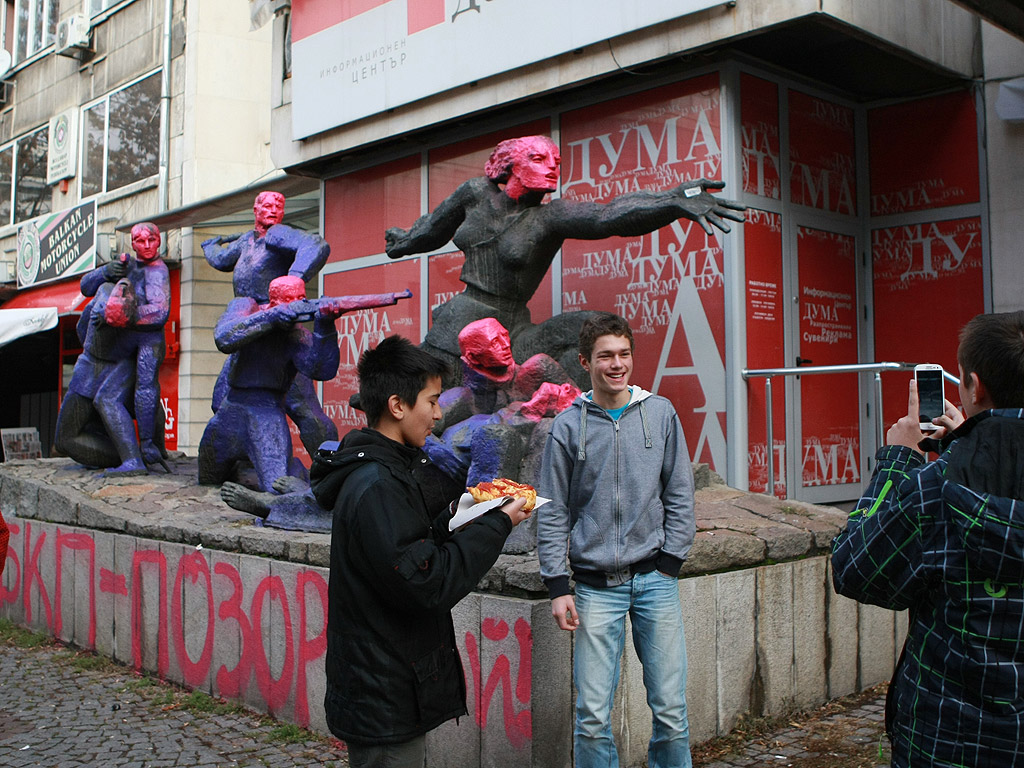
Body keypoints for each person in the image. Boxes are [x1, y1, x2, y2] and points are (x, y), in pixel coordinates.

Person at [310, 334, 531, 768]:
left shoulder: (389, 470)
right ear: (397, 406)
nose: (438, 412)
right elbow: (427, 581)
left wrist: (460, 514)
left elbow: (408, 548)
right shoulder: (377, 485)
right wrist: (499, 523)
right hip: (383, 698)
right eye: (430, 401)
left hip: (387, 688)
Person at [385, 135, 745, 385]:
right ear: (509, 165)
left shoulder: (551, 216)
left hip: (512, 327)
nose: (552, 167)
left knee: (597, 327)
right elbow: (433, 228)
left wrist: (669, 201)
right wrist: (404, 242)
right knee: (428, 387)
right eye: (538, 159)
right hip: (461, 322)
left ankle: (584, 421)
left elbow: (609, 215)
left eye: (556, 161)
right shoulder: (475, 193)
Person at [831, 310, 1024, 768]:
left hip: (949, 740)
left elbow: (853, 567)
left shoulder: (934, 489)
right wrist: (969, 441)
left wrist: (897, 460)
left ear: (974, 387)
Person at [537, 312, 696, 768]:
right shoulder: (567, 427)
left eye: (624, 354)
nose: (616, 364)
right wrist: (557, 585)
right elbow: (551, 510)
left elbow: (680, 492)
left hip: (655, 582)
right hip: (593, 588)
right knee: (590, 715)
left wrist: (670, 562)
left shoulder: (661, 413)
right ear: (586, 362)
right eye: (605, 356)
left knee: (670, 710)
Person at [202, 190, 336, 456]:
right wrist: (210, 247)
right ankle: (247, 458)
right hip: (249, 329)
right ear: (256, 210)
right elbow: (222, 260)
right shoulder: (246, 242)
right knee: (222, 401)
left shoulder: (278, 235)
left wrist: (295, 278)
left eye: (279, 206)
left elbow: (317, 244)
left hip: (278, 330)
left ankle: (333, 466)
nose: (273, 210)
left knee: (304, 409)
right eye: (267, 205)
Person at [56, 222, 170, 474]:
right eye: (140, 241)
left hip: (124, 353)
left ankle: (137, 455)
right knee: (64, 440)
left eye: (152, 240)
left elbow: (160, 313)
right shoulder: (123, 269)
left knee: (120, 396)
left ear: (159, 241)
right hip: (92, 357)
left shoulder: (157, 273)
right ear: (133, 243)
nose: (147, 245)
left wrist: (119, 315)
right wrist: (106, 271)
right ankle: (132, 453)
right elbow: (86, 287)